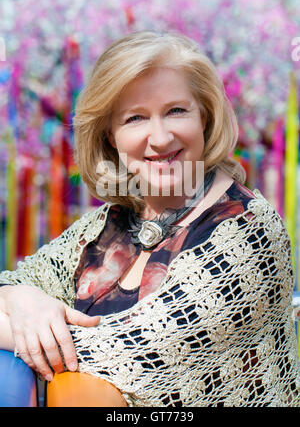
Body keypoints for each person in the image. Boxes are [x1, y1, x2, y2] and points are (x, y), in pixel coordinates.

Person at [0, 30, 299, 407]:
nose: (159, 138)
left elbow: (114, 351)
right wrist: (21, 297)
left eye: (176, 111)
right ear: (110, 135)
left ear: (204, 116)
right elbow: (14, 286)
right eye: (135, 118)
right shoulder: (112, 223)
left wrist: (17, 317)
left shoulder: (248, 233)